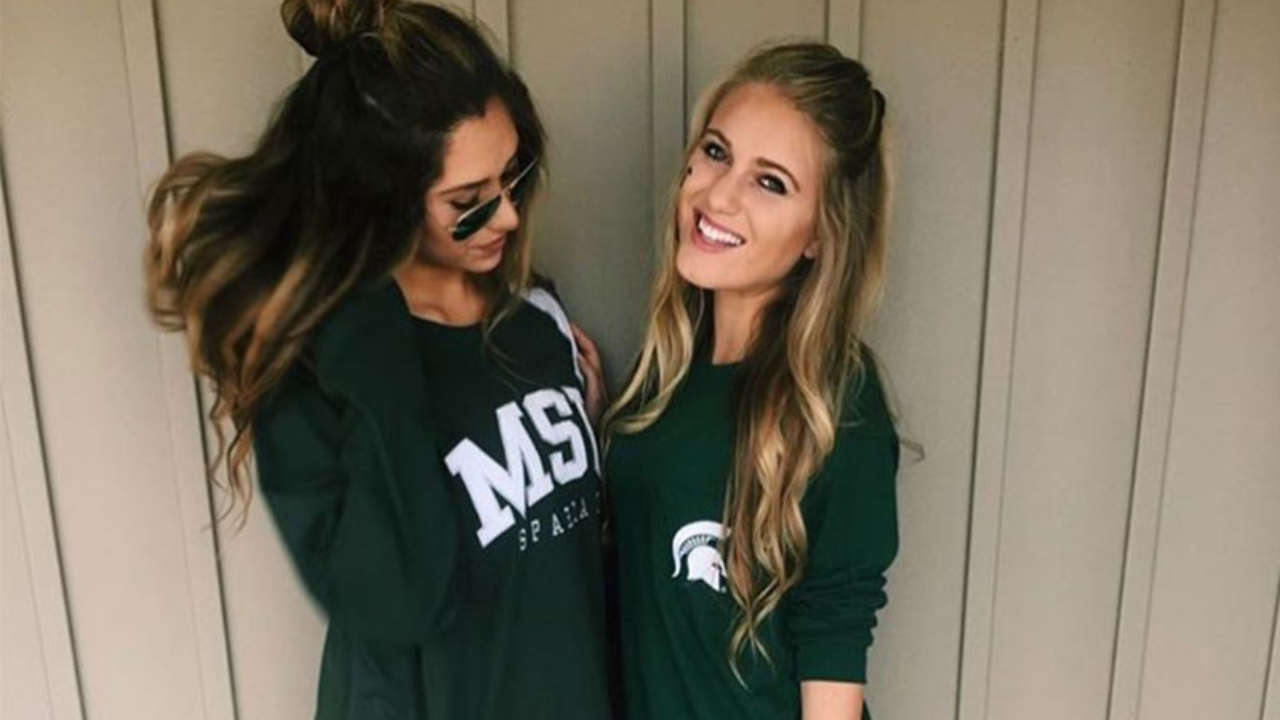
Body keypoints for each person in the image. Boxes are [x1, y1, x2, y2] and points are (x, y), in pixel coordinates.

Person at [143, 2, 612, 718]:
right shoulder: (318, 377)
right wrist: (372, 346)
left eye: (512, 177)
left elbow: (558, 560)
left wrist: (587, 430)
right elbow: (398, 607)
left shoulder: (536, 316)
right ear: (382, 201)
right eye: (468, 200)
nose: (510, 216)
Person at [603, 42, 899, 720]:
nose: (718, 196)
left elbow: (835, 631)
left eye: (770, 183)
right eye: (716, 152)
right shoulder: (663, 373)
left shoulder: (835, 400)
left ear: (820, 235)